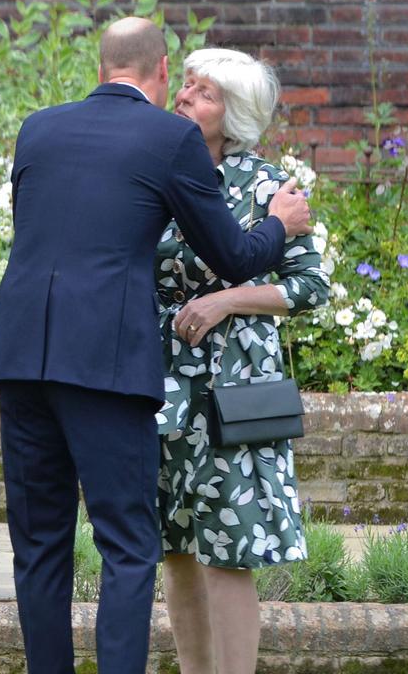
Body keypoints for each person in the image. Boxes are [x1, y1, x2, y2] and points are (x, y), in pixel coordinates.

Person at [0, 17, 313, 674]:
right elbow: (234, 255)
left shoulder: (38, 128)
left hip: (19, 355)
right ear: (160, 72)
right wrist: (278, 224)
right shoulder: (170, 138)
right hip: (104, 362)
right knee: (128, 545)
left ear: (100, 68)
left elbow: (48, 232)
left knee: (39, 546)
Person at [156, 48, 329, 674]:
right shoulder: (159, 171)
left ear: (235, 116)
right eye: (185, 85)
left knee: (229, 550)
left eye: (202, 92)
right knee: (173, 546)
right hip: (165, 387)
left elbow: (310, 287)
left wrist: (227, 300)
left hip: (235, 392)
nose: (183, 96)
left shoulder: (268, 186)